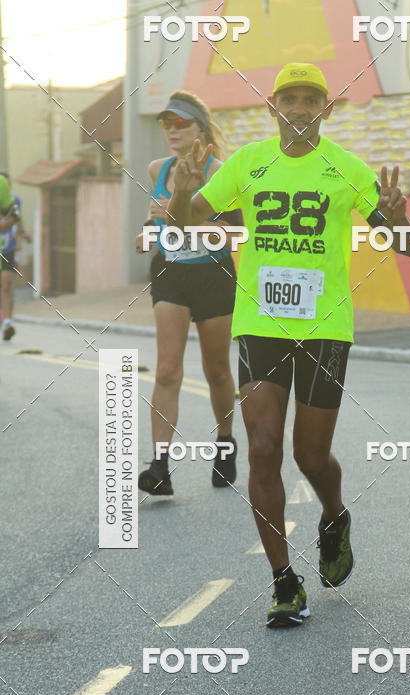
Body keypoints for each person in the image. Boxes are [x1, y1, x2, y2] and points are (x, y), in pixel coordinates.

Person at [167, 63, 410, 627]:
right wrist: (182, 198)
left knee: (309, 455)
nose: (300, 108)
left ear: (326, 109)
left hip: (325, 327)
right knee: (261, 449)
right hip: (259, 322)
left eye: (311, 99)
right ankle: (284, 581)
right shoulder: (248, 163)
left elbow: (401, 245)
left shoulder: (346, 168)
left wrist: (399, 223)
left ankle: (333, 515)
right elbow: (186, 229)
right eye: (290, 98)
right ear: (272, 106)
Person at [135, 91, 240, 496]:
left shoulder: (221, 172)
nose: (173, 131)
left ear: (200, 129)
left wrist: (190, 220)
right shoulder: (157, 169)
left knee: (216, 371)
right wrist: (147, 232)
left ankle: (226, 443)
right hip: (171, 274)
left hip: (212, 276)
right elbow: (153, 220)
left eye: (181, 124)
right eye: (167, 124)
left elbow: (234, 233)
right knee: (166, 370)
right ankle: (160, 466)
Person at [0, 173, 24, 341]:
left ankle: (8, 323)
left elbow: (17, 219)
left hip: (6, 248)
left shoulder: (14, 202)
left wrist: (21, 235)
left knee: (6, 284)